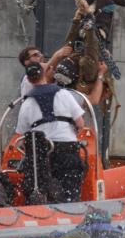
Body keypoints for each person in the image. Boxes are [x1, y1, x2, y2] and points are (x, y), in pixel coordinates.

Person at [15, 67, 87, 203]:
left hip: (41, 152)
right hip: (67, 148)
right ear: (45, 75)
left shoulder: (27, 104)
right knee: (70, 187)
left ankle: (43, 206)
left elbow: (20, 139)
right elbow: (80, 123)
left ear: (29, 80)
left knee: (41, 184)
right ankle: (70, 209)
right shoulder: (64, 94)